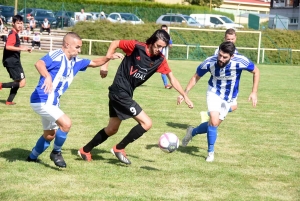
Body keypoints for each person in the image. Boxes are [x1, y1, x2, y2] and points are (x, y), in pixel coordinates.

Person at [78, 29, 194, 165]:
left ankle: (85, 150)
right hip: (119, 91)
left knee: (112, 129)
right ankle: (119, 148)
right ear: (151, 42)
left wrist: (184, 95)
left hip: (126, 93)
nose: (159, 50)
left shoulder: (160, 60)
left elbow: (172, 78)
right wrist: (105, 64)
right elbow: (115, 43)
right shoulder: (136, 47)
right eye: (158, 46)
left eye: (163, 47)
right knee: (147, 123)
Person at [26, 32, 124, 168]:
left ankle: (31, 158)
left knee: (49, 135)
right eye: (77, 47)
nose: (79, 50)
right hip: (42, 99)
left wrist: (109, 57)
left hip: (52, 102)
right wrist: (47, 76)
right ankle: (56, 152)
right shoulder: (57, 55)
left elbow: (95, 62)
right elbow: (39, 63)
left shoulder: (75, 62)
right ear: (67, 45)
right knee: (66, 124)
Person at [179, 41, 260, 162]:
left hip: (230, 97)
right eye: (220, 55)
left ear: (232, 56)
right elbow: (196, 76)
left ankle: (192, 131)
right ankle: (210, 152)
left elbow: (256, 71)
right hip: (214, 92)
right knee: (214, 121)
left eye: (225, 57)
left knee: (213, 124)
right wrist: (184, 93)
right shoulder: (210, 62)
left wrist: (254, 92)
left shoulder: (240, 61)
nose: (221, 59)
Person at [201, 28, 239, 123]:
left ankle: (208, 116)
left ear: (236, 39)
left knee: (234, 107)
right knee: (215, 121)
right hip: (221, 87)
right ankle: (210, 114)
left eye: (232, 39)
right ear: (224, 39)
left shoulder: (236, 52)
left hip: (233, 87)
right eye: (228, 39)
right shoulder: (218, 52)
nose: (230, 41)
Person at [0, 15, 32, 105]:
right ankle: (1, 85)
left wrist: (25, 47)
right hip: (12, 61)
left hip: (12, 61)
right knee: (22, 83)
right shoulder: (13, 34)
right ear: (13, 24)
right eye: (18, 23)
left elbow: (15, 46)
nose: (20, 25)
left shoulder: (15, 34)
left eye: (21, 23)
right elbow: (8, 46)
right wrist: (22, 49)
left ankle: (9, 101)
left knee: (17, 82)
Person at [160, 24, 173, 89]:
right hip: (155, 55)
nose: (164, 31)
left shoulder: (168, 37)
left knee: (163, 70)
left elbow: (170, 45)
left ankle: (166, 84)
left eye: (165, 29)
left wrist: (167, 43)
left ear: (167, 30)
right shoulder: (158, 36)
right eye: (162, 30)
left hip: (161, 56)